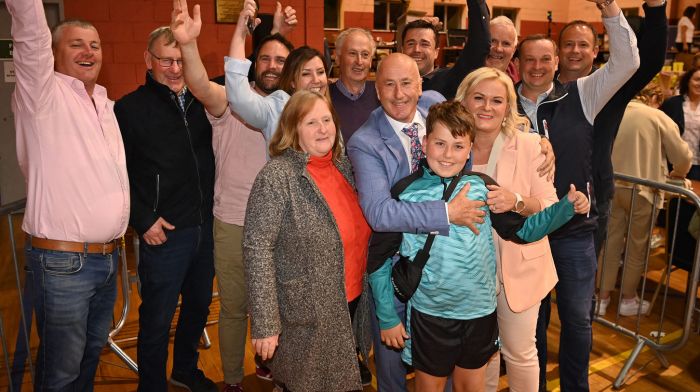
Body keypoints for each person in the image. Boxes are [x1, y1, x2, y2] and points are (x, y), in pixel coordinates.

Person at [368, 99, 588, 392]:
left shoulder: (484, 186)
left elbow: (522, 231)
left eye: (458, 146)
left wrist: (565, 208)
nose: (448, 155)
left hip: (479, 314)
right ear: (424, 142)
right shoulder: (405, 193)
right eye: (440, 144)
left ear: (470, 147)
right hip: (430, 316)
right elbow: (378, 260)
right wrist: (386, 317)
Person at [170, 0, 296, 390]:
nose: (273, 65)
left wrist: (276, 33)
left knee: (279, 309)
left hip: (282, 226)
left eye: (281, 60)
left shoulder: (290, 108)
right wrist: (189, 46)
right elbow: (198, 84)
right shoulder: (229, 102)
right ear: (253, 62)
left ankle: (270, 367)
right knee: (235, 309)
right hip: (234, 221)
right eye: (266, 59)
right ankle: (230, 381)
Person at [514, 1, 640, 390]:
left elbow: (628, 62)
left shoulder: (582, 94)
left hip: (573, 230)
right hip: (525, 231)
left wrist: (611, 12)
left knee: (577, 319)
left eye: (545, 59)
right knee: (530, 320)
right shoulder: (502, 101)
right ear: (517, 64)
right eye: (529, 59)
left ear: (556, 63)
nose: (537, 66)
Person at [347, 52, 486, 391]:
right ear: (375, 90)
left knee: (450, 363)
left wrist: (533, 134)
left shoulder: (435, 105)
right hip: (399, 269)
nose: (399, 94)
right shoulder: (364, 142)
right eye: (388, 85)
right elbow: (380, 214)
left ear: (421, 84)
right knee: (393, 363)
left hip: (451, 270)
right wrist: (445, 213)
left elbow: (487, 119)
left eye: (407, 83)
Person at [8, 0, 129, 389]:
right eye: (76, 44)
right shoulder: (42, 96)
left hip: (107, 260)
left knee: (89, 357)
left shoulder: (105, 105)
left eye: (94, 45)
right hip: (63, 265)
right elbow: (30, 35)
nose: (88, 52)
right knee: (59, 373)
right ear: (54, 54)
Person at [243, 90, 371, 392]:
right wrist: (266, 324)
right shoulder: (276, 177)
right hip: (304, 314)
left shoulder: (342, 167)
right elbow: (256, 249)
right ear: (292, 129)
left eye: (327, 119)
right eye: (312, 122)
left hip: (348, 304)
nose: (323, 129)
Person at [114, 26, 216, 392]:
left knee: (198, 308)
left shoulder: (204, 102)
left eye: (180, 60)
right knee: (157, 319)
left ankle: (185, 371)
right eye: (166, 60)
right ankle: (152, 386)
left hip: (205, 228)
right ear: (148, 60)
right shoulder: (128, 109)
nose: (175, 68)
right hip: (164, 233)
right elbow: (117, 173)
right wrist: (142, 220)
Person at [453, 67, 558, 391]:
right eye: (479, 98)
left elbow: (550, 205)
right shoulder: (451, 146)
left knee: (520, 352)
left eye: (496, 100)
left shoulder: (529, 146)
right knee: (479, 355)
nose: (487, 107)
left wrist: (515, 200)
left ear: (507, 107)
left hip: (519, 268)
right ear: (464, 101)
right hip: (468, 272)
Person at [555, 0, 668, 257]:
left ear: (596, 51)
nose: (575, 50)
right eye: (568, 44)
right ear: (558, 50)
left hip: (593, 199)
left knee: (580, 285)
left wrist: (656, 7)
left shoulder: (611, 88)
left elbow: (650, 61)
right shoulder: (541, 88)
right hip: (542, 198)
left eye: (583, 45)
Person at [598, 83, 692, 316]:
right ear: (653, 98)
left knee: (609, 244)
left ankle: (601, 298)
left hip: (611, 186)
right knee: (637, 246)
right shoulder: (656, 116)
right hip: (643, 189)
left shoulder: (612, 110)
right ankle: (628, 298)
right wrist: (678, 173)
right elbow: (682, 156)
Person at [225, 0, 328, 144]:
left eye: (321, 72)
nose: (316, 80)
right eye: (305, 74)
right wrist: (240, 34)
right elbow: (239, 99)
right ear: (292, 81)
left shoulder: (328, 109)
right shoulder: (278, 107)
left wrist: (279, 32)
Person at [401, 0, 491, 99]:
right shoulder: (390, 82)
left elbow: (479, 45)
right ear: (402, 50)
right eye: (410, 43)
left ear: (436, 52)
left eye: (424, 44)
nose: (416, 49)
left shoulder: (452, 80)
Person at [329, 27, 380, 142]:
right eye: (352, 53)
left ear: (371, 61)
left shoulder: (381, 94)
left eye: (365, 55)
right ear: (337, 58)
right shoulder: (324, 98)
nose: (359, 61)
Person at [661, 66, 700, 180]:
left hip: (698, 164)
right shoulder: (672, 104)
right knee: (673, 196)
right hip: (674, 163)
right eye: (697, 79)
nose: (699, 84)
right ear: (688, 81)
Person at [485, 15, 520, 82]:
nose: (498, 49)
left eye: (506, 44)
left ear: (514, 50)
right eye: (492, 41)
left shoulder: (523, 84)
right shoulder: (464, 77)